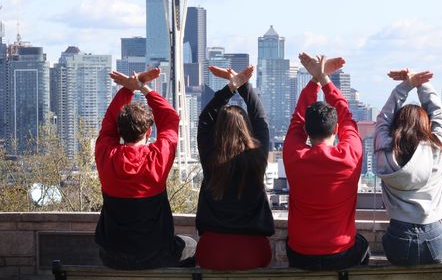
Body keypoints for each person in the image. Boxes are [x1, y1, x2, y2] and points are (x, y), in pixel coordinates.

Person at [94, 69, 196, 270]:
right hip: (155, 255)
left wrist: (128, 90)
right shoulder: (157, 157)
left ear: (119, 130)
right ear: (149, 131)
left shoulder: (105, 154)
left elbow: (108, 124)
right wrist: (143, 88)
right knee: (192, 245)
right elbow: (170, 118)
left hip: (113, 256)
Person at [283, 53, 370, 270]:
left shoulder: (295, 156)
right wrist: (324, 80)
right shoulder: (350, 156)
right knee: (362, 245)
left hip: (301, 254)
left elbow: (297, 120)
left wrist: (315, 80)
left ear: (306, 131)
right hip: (341, 254)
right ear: (337, 129)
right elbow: (347, 116)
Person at [195, 65, 275, 270]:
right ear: (247, 128)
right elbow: (261, 120)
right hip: (253, 250)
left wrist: (231, 88)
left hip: (212, 250)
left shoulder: (210, 158)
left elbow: (205, 119)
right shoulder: (257, 157)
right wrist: (242, 85)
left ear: (218, 130)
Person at [374, 68, 442, 266]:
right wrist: (420, 82)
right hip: (436, 238)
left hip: (398, 240)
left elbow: (383, 119)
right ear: (426, 126)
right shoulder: (437, 148)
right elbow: (439, 114)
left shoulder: (384, 149)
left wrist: (406, 85)